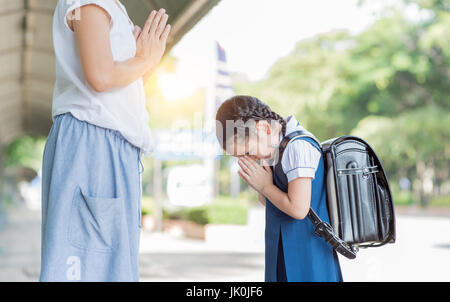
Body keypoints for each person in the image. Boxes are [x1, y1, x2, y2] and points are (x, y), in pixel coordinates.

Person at [40, 0, 170, 281]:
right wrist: (145, 59)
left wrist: (139, 64)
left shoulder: (111, 7)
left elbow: (111, 85)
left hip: (107, 145)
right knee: (85, 268)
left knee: (109, 268)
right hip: (94, 143)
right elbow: (100, 76)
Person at [215, 95, 343, 282]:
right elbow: (269, 202)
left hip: (308, 259)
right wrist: (260, 186)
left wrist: (265, 186)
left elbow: (299, 209)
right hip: (284, 253)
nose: (248, 159)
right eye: (240, 156)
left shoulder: (297, 146)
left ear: (263, 128)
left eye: (248, 152)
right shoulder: (273, 148)